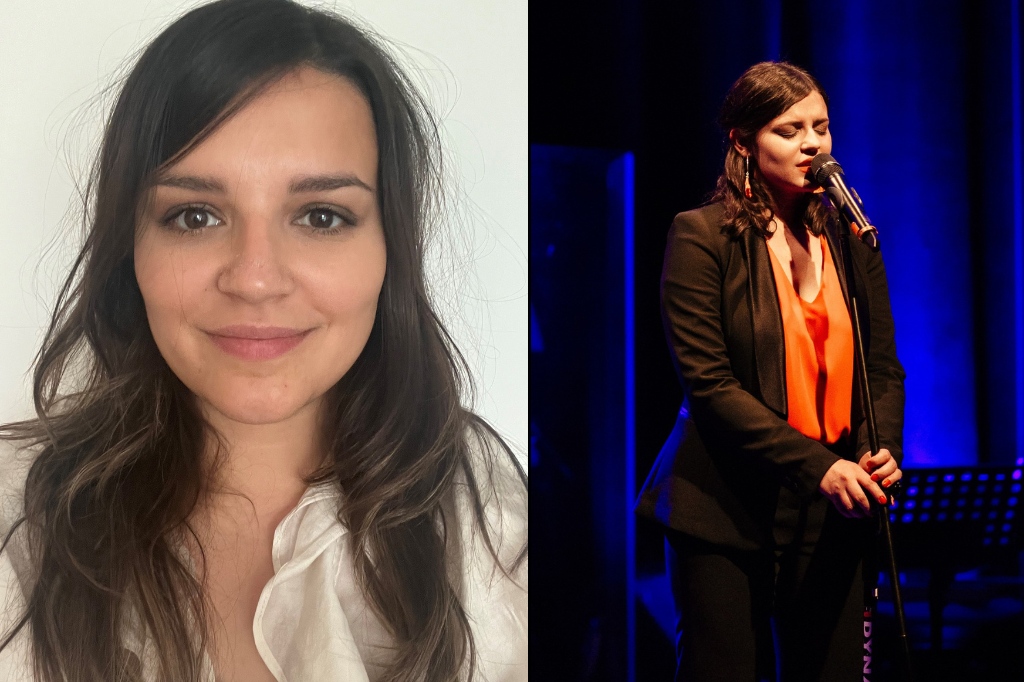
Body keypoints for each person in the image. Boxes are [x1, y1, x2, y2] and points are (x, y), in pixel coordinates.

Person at [0, 1, 527, 680]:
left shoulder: (496, 530)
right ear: (129, 247)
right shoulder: (16, 519)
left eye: (319, 215)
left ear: (390, 248)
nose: (254, 279)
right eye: (195, 215)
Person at [635, 61, 906, 681]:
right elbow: (709, 387)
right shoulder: (703, 237)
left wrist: (877, 449)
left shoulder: (851, 235)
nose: (811, 143)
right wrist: (822, 467)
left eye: (821, 127)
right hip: (726, 506)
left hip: (834, 505)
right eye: (789, 130)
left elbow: (883, 369)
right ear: (743, 141)